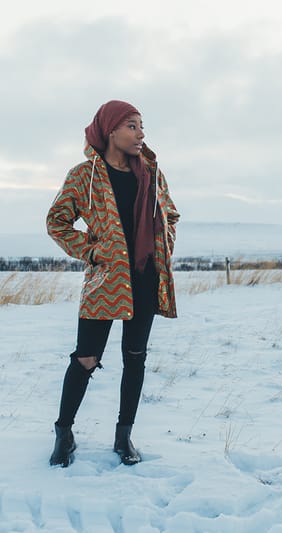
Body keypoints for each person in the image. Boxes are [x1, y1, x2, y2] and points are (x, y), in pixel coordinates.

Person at [46, 100, 179, 467]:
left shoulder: (151, 172)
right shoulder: (84, 175)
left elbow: (170, 214)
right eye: (132, 126)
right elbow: (57, 222)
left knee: (135, 358)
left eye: (142, 126)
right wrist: (92, 251)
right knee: (86, 358)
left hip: (147, 277)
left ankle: (124, 436)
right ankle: (64, 432)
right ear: (111, 131)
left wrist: (163, 241)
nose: (141, 134)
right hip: (107, 281)